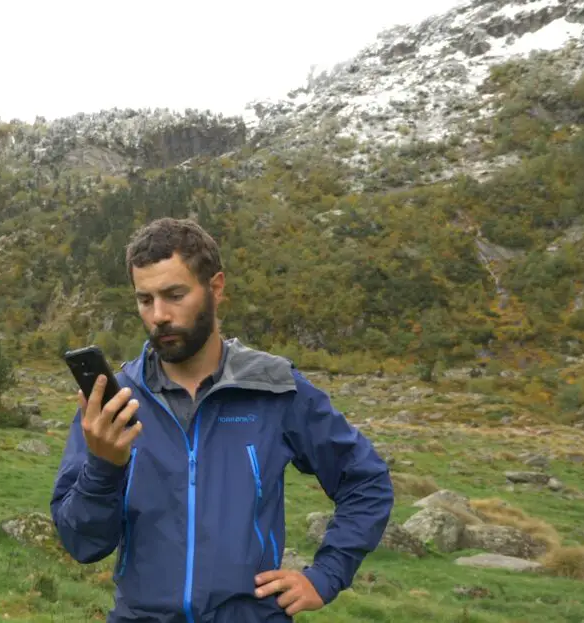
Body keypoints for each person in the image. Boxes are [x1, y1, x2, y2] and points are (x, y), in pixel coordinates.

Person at [49, 217, 394, 622]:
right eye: (145, 300)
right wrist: (102, 467)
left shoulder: (275, 389)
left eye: (174, 295)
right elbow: (81, 544)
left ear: (215, 288)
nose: (158, 315)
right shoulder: (116, 403)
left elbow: (366, 480)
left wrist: (326, 576)